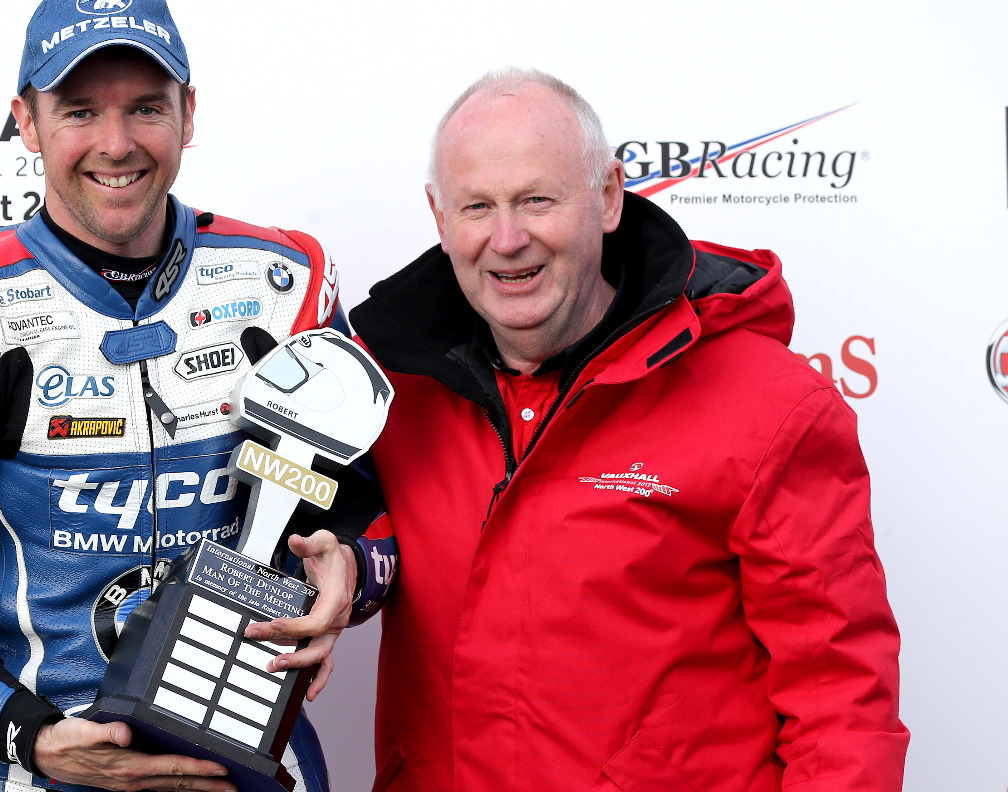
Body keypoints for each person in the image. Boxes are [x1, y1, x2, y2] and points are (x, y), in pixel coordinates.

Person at [0, 2, 392, 790]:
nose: (117, 143)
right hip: (39, 765)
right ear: (26, 122)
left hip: (247, 751)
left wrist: (353, 570)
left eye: (146, 108)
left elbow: (366, 507)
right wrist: (32, 737)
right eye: (81, 111)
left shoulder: (283, 285)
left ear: (189, 113)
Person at [349, 68, 909, 792]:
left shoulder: (768, 406)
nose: (507, 239)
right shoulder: (386, 393)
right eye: (477, 206)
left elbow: (841, 701)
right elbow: (317, 538)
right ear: (439, 216)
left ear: (610, 196)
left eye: (537, 200)